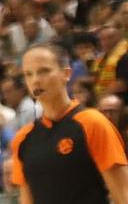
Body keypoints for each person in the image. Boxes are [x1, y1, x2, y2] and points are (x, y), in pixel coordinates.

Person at [8, 44, 128, 204]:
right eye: (28, 74)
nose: (35, 80)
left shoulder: (92, 122)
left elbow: (123, 194)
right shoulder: (22, 139)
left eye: (44, 71)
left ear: (66, 74)